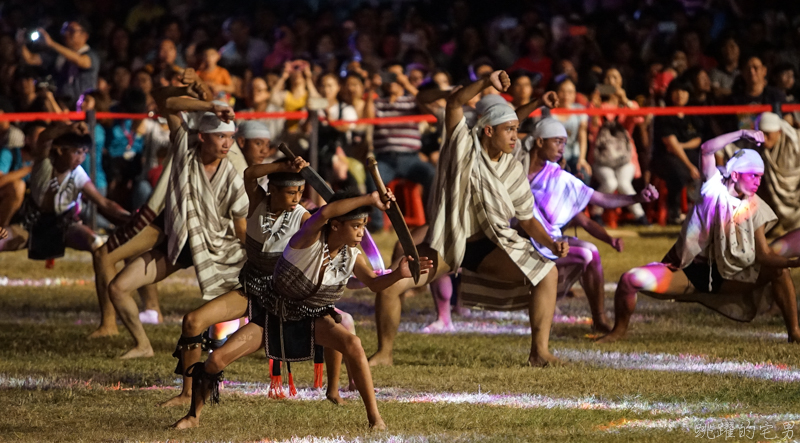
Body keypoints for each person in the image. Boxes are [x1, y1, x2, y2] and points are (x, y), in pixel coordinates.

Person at [171, 189, 430, 431]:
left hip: (314, 317)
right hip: (275, 314)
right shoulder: (308, 238)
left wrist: (398, 274)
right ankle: (193, 416)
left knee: (353, 343)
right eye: (356, 226)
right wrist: (370, 198)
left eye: (363, 226)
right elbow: (326, 212)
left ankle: (375, 419)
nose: (362, 232)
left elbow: (374, 283)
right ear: (336, 225)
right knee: (216, 360)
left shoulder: (352, 254)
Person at [368, 70, 568, 367]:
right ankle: (384, 354)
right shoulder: (461, 143)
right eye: (509, 130)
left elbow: (526, 219)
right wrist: (487, 79)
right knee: (392, 285)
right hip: (449, 242)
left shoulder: (512, 169)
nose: (516, 135)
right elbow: (453, 102)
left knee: (547, 273)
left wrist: (551, 242)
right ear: (488, 130)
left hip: (489, 248)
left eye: (517, 129)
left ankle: (539, 352)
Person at [598, 130, 800, 343]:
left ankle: (794, 333)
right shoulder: (713, 188)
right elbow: (706, 149)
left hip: (729, 276)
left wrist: (791, 263)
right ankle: (618, 331)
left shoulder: (754, 204)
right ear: (735, 174)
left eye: (760, 176)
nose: (758, 181)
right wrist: (742, 133)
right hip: (689, 273)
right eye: (753, 175)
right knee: (630, 280)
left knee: (779, 269)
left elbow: (764, 254)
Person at [159, 152, 311, 407]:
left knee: (343, 332)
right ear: (272, 190)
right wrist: (282, 165)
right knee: (192, 322)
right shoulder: (258, 202)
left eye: (300, 191)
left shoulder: (303, 216)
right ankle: (186, 394)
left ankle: (335, 390)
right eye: (291, 192)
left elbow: (329, 219)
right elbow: (250, 174)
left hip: (283, 299)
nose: (297, 198)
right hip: (251, 288)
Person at [107, 87, 247, 359]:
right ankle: (143, 345)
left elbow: (240, 227)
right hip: (182, 242)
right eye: (221, 136)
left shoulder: (233, 176)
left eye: (230, 138)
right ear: (203, 136)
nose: (227, 144)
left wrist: (257, 255)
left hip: (220, 250)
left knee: (247, 304)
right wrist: (210, 104)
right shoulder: (184, 149)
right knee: (118, 287)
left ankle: (243, 342)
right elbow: (169, 103)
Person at [516, 117, 658, 332]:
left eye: (565, 142)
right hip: (517, 240)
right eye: (557, 141)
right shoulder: (514, 170)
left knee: (589, 253)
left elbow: (600, 200)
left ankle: (599, 319)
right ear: (539, 142)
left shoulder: (559, 178)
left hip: (548, 243)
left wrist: (637, 198)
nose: (562, 148)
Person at [364, 62, 434, 231]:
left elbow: (429, 111)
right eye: (389, 76)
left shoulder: (411, 100)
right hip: (385, 159)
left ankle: (432, 220)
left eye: (396, 76)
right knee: (373, 179)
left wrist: (407, 85)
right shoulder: (379, 102)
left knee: (433, 175)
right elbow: (366, 118)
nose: (392, 80)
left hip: (411, 158)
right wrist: (371, 90)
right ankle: (377, 225)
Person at [651, 79, 704, 224]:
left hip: (687, 152)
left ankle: (701, 209)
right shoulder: (665, 115)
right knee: (679, 173)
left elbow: (698, 139)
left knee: (707, 166)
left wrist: (682, 146)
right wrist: (690, 166)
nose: (680, 94)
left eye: (684, 91)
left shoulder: (692, 115)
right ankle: (674, 212)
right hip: (666, 157)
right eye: (677, 91)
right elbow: (670, 144)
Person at [18, 18, 100, 107]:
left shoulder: (91, 55)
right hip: (63, 106)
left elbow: (81, 61)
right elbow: (31, 59)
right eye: (65, 30)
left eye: (71, 31)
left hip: (84, 106)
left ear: (84, 35)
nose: (66, 34)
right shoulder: (60, 56)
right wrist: (21, 42)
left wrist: (51, 43)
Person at [755, 112, 800, 234]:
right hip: (773, 197)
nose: (763, 138)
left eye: (767, 134)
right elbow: (727, 149)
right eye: (761, 133)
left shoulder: (796, 144)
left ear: (779, 131)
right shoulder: (759, 147)